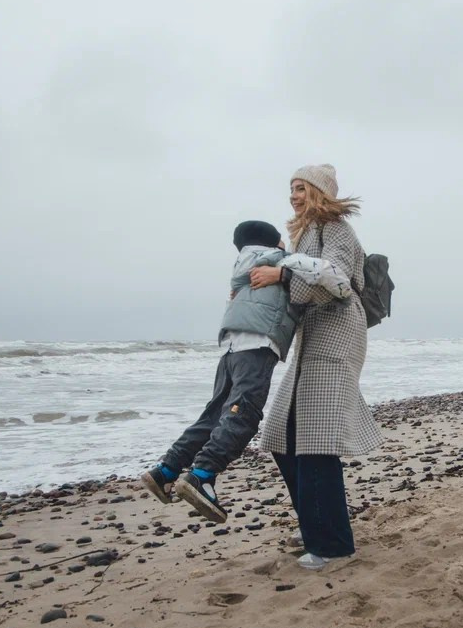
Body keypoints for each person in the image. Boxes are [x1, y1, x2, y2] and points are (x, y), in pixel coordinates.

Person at [140, 219, 355, 524]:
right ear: (274, 242)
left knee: (216, 414)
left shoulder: (242, 266)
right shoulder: (282, 260)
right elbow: (337, 281)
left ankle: (166, 470)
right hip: (257, 344)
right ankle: (202, 475)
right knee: (245, 414)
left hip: (230, 346)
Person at [250, 164, 383, 570]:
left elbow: (338, 280)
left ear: (320, 192)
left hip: (337, 334)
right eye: (291, 188)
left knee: (316, 441)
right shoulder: (304, 235)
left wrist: (283, 270)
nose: (294, 195)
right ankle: (315, 525)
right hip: (313, 337)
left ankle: (332, 545)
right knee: (282, 435)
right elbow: (302, 290)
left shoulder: (336, 226)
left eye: (301, 188)